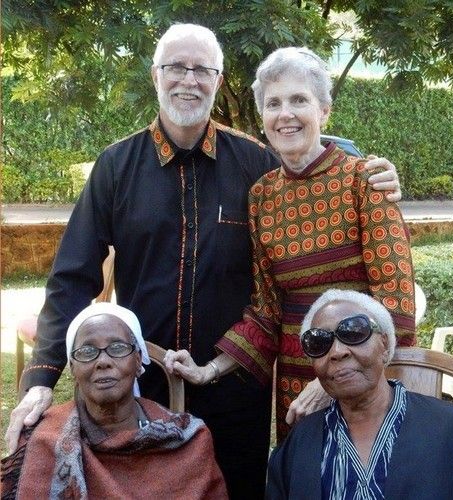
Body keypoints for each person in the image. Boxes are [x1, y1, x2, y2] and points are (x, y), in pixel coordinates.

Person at [6, 24, 401, 499]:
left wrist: (374, 173)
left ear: (217, 80)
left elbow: (311, 175)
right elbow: (72, 276)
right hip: (144, 388)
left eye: (202, 70)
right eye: (176, 67)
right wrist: (42, 377)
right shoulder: (116, 166)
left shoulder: (256, 165)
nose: (188, 79)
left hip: (237, 390)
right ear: (156, 76)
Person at [164, 46, 416, 443]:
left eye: (299, 100)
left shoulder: (363, 181)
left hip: (365, 381)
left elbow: (396, 302)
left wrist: (332, 375)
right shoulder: (263, 195)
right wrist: (207, 370)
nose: (285, 114)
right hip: (297, 390)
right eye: (273, 103)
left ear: (324, 111)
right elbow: (267, 312)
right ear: (263, 117)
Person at [266, 289, 453, 499]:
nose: (337, 351)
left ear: (385, 345)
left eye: (354, 332)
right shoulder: (298, 444)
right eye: (319, 343)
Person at [1, 303, 227, 499]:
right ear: (73, 368)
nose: (103, 361)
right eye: (87, 351)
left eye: (117, 348)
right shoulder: (43, 440)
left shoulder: (188, 441)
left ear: (137, 361)